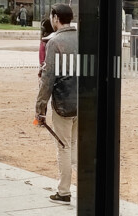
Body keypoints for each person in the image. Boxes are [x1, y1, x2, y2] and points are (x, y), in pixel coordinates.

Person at [35, 3, 77, 205]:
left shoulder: (55, 42)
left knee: (64, 147)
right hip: (83, 101)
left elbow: (48, 79)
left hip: (63, 102)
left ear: (55, 17)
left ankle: (64, 191)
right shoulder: (83, 38)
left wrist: (40, 108)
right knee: (75, 146)